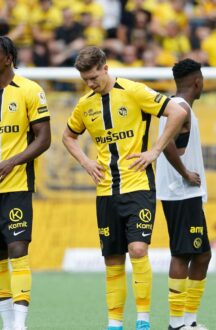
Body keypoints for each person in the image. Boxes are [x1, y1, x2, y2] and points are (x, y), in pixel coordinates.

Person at [62, 46, 186, 330]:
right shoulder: (85, 104)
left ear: (106, 68)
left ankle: (142, 320)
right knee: (113, 258)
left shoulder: (134, 91)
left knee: (139, 249)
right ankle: (115, 323)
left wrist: (154, 151)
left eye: (94, 77)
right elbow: (68, 136)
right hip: (106, 190)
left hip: (138, 185)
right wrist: (85, 162)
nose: (90, 84)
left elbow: (177, 113)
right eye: (86, 80)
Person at [0, 35, 51, 330]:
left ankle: (20, 323)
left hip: (16, 185)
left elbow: (44, 139)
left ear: (8, 58)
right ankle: (7, 323)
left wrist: (12, 161)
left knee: (18, 247)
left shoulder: (30, 90)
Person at [155, 58, 211, 330]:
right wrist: (185, 173)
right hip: (181, 193)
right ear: (197, 81)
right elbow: (165, 146)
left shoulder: (176, 106)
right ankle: (177, 323)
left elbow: (173, 146)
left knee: (201, 255)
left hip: (183, 193)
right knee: (183, 255)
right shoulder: (180, 108)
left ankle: (188, 321)